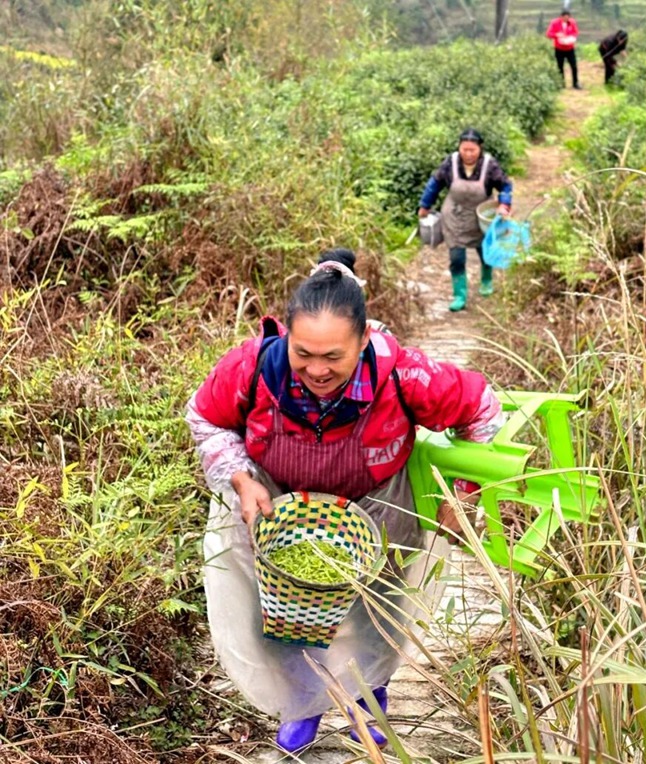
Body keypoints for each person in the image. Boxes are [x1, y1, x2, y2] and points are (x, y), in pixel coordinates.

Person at [186, 248, 505, 753]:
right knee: (274, 616)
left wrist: (465, 494)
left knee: (374, 612)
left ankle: (367, 699)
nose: (317, 369)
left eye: (334, 356)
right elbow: (206, 416)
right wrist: (240, 478)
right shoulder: (252, 368)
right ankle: (304, 703)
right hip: (277, 510)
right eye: (304, 354)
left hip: (376, 507)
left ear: (364, 339)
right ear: (287, 337)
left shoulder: (404, 374)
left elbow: (483, 409)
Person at [418, 128, 512, 312]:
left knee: (484, 251)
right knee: (456, 256)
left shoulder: (489, 165)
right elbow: (435, 183)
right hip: (454, 214)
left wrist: (504, 205)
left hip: (480, 215)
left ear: (480, 149)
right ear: (459, 148)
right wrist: (425, 205)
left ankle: (486, 279)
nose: (468, 154)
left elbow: (505, 186)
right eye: (464, 150)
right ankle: (459, 295)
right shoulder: (450, 163)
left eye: (472, 150)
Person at [546, 9, 580, 89]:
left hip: (570, 48)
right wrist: (557, 35)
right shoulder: (555, 23)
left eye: (567, 18)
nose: (566, 20)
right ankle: (561, 84)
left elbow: (576, 32)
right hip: (559, 48)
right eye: (564, 18)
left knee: (574, 66)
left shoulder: (572, 22)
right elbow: (548, 34)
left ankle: (575, 83)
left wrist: (571, 37)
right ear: (561, 17)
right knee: (560, 66)